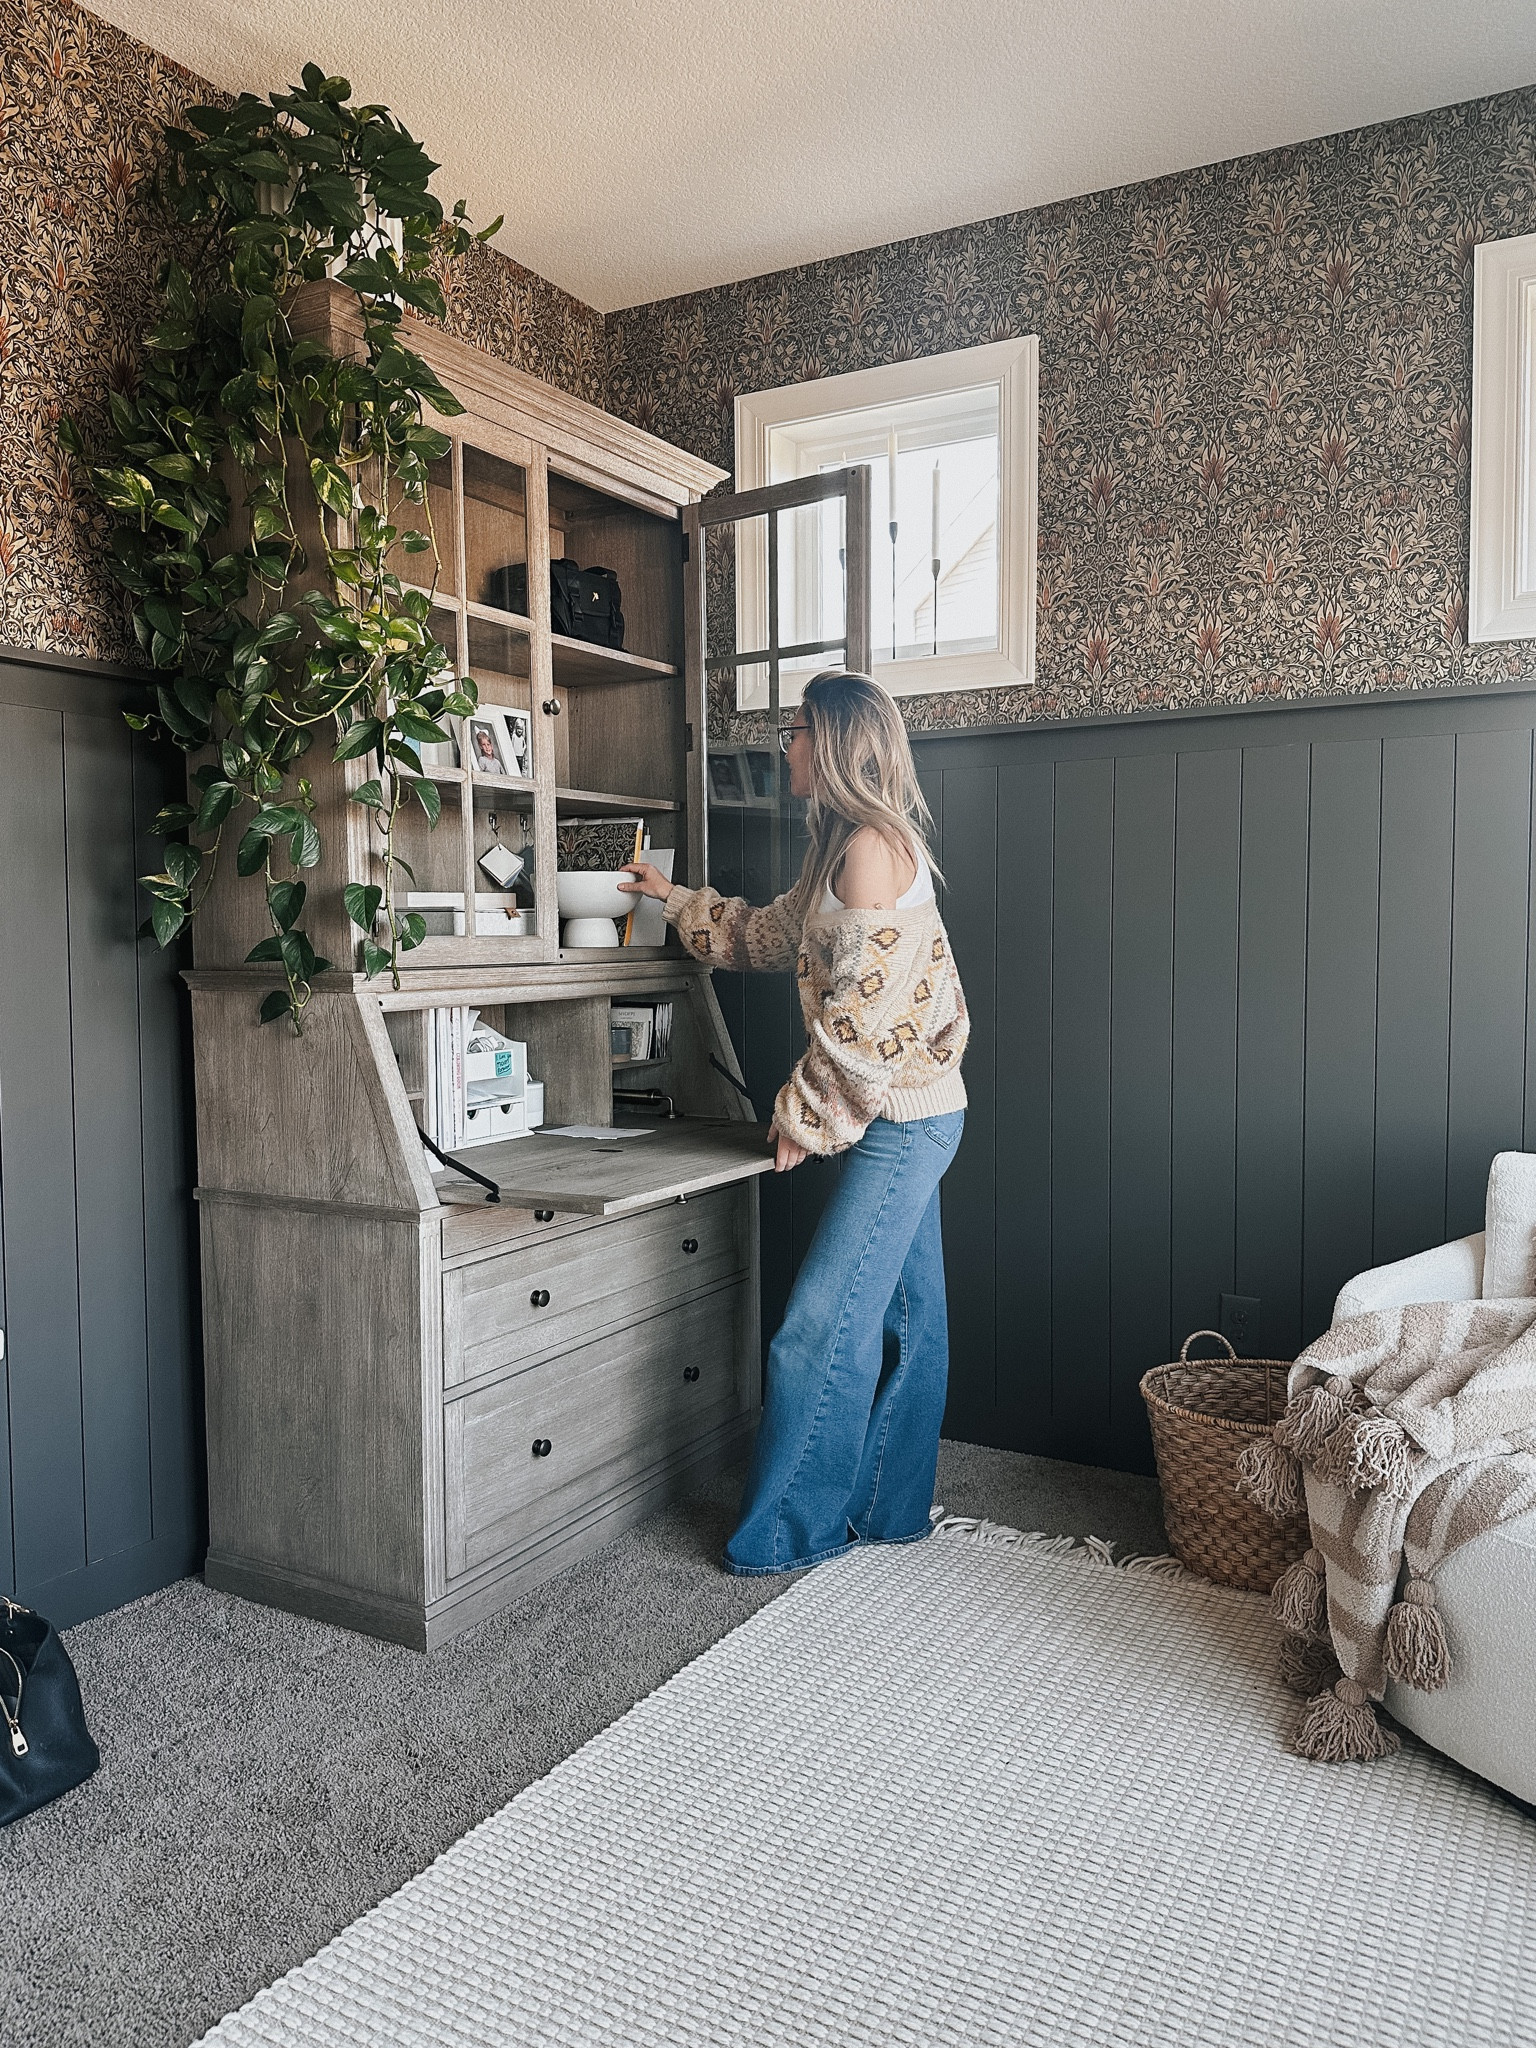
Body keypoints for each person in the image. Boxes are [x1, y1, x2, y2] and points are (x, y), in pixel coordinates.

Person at [619, 669, 969, 1575]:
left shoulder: (873, 849)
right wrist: (670, 896)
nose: (787, 749)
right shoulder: (841, 850)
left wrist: (804, 1121)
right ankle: (888, 1511)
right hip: (912, 1116)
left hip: (902, 1122)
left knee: (818, 1325)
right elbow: (766, 936)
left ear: (837, 743)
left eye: (799, 732)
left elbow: (866, 1018)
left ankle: (785, 1534)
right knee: (910, 1318)